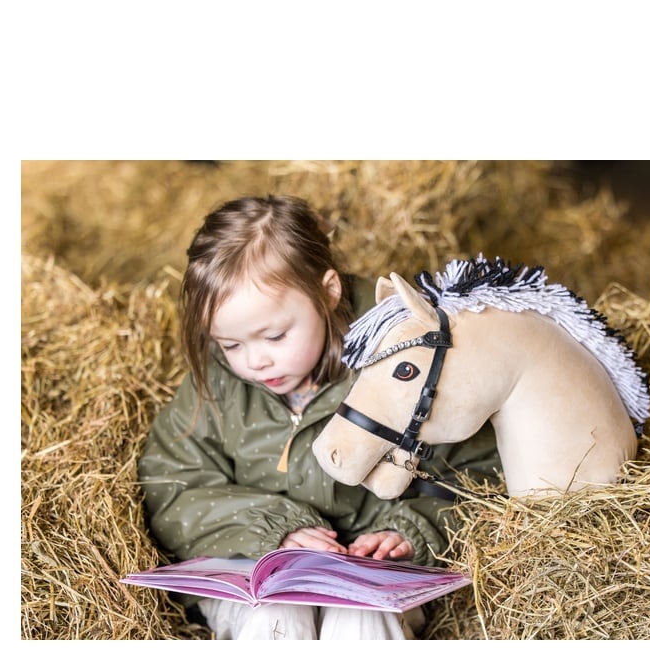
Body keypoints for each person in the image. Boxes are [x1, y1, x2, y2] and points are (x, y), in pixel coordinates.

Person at [138, 195, 501, 640]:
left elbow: (481, 476)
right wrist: (272, 529)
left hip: (376, 580)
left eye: (274, 336)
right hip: (255, 574)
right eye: (230, 345)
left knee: (361, 618)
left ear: (327, 292)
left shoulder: (406, 364)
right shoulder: (215, 388)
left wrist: (410, 532)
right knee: (275, 619)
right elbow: (170, 488)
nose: (254, 361)